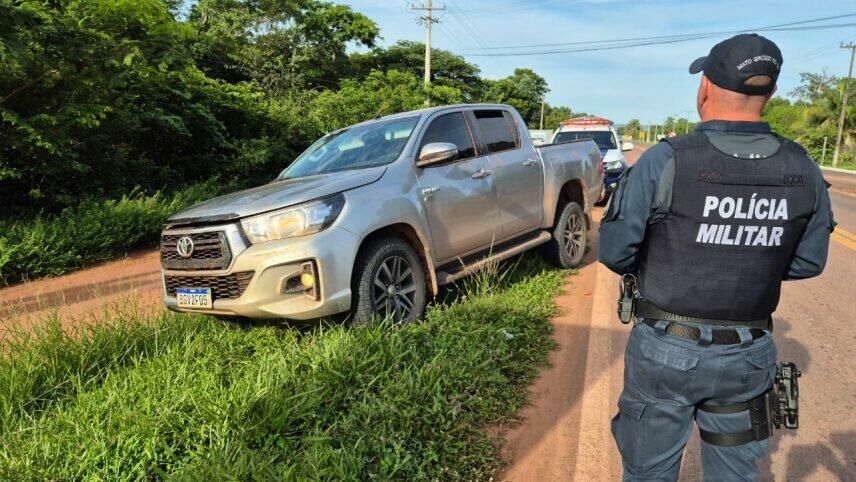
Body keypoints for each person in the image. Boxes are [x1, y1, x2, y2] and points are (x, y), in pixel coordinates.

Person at [599, 33, 835, 481]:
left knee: (649, 472)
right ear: (771, 92)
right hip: (749, 355)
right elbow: (809, 262)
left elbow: (615, 251)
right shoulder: (802, 165)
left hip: (666, 349)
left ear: (704, 88)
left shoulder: (666, 159)